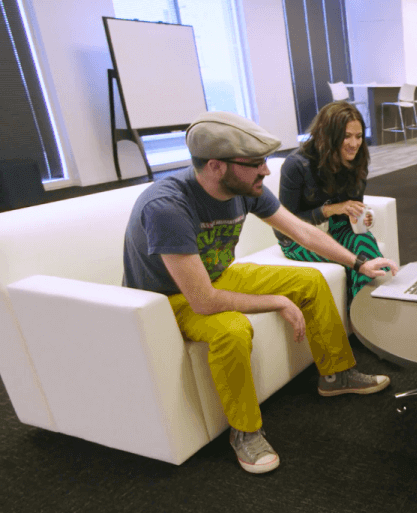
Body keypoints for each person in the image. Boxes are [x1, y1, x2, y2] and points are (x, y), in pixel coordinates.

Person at [122, 111, 399, 475]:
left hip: (217, 276)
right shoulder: (167, 207)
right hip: (168, 298)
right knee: (233, 331)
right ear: (217, 166)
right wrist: (276, 301)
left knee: (310, 280)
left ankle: (336, 375)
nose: (266, 171)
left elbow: (305, 233)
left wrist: (358, 262)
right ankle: (245, 432)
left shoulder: (244, 188)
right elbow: (202, 300)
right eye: (255, 164)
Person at [277, 101, 385, 300]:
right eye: (346, 136)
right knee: (354, 258)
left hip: (338, 230)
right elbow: (283, 227)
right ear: (328, 136)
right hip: (297, 240)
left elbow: (348, 217)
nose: (354, 144)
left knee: (365, 243)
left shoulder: (357, 160)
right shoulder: (296, 165)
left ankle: (372, 314)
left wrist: (360, 218)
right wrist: (329, 210)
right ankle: (365, 318)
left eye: (359, 136)